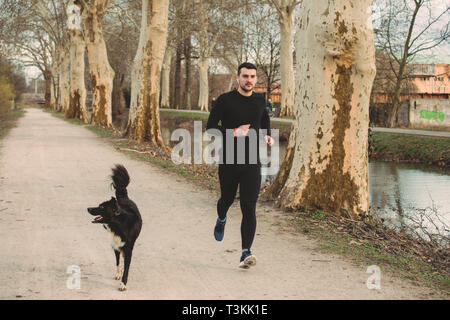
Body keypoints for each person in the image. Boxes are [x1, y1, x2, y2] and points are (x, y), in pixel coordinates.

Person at [206, 62, 274, 269]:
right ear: (238, 78)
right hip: (228, 160)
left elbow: (264, 123)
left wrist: (268, 136)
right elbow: (211, 128)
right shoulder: (225, 100)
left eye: (253, 77)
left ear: (256, 79)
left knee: (249, 207)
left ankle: (246, 252)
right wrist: (234, 133)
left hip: (252, 162)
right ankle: (221, 217)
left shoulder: (259, 101)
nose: (249, 80)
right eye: (245, 76)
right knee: (226, 199)